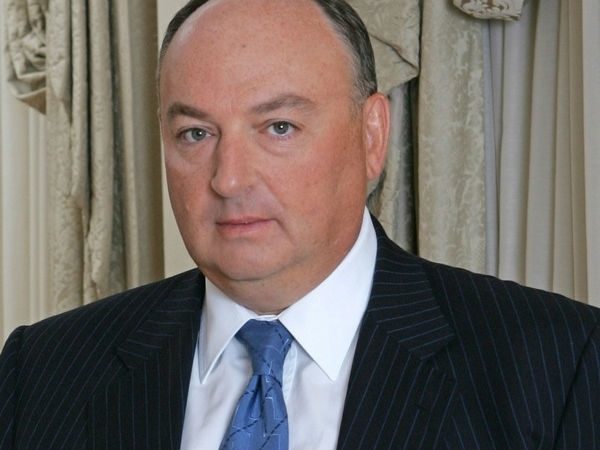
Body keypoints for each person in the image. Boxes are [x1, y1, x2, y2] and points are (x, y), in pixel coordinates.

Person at [1, 0, 599, 448]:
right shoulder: (44, 371)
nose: (229, 178)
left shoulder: (556, 365)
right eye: (195, 133)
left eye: (279, 127)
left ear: (371, 135)